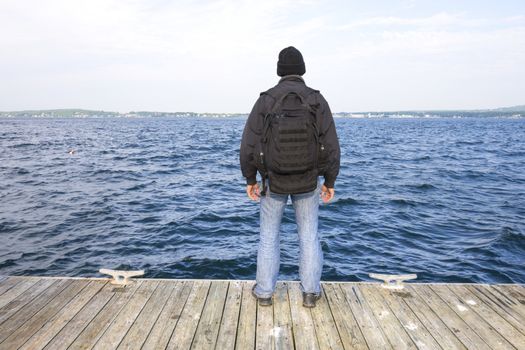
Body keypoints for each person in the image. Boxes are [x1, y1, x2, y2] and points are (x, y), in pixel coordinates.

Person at [239, 46, 340, 308]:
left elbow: (248, 143)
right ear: (302, 69)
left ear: (279, 70)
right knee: (308, 236)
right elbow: (331, 145)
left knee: (269, 236)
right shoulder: (317, 99)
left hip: (273, 181)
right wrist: (329, 182)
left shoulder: (266, 99)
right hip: (308, 182)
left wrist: (251, 179)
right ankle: (309, 293)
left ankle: (263, 293)